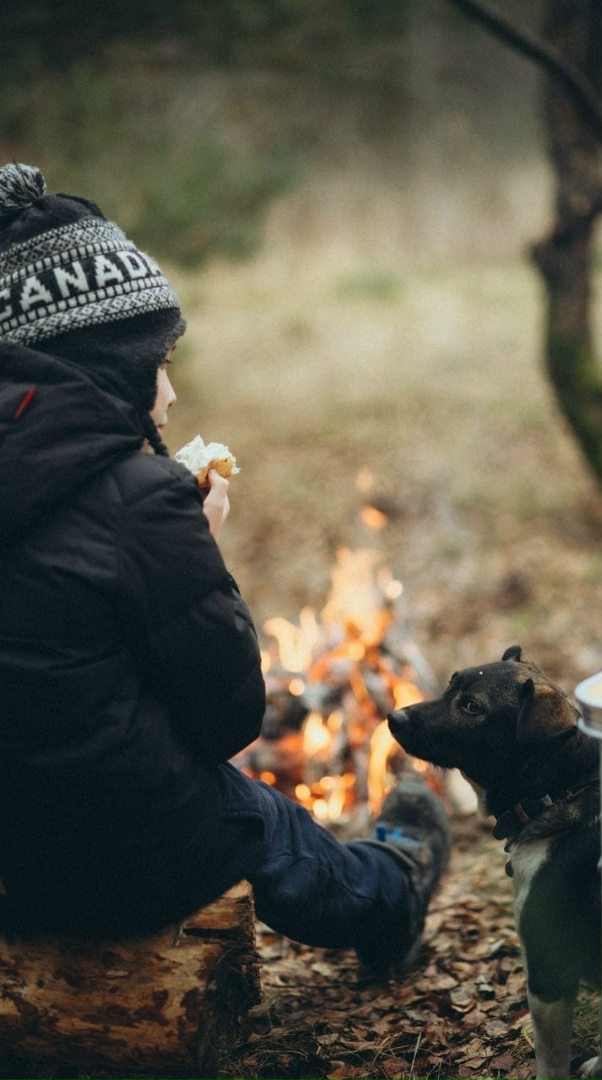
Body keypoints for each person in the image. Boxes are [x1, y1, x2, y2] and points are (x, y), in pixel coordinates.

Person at [0, 162, 451, 974]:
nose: (168, 397)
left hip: (11, 867)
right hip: (113, 866)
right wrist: (194, 542)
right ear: (100, 365)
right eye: (156, 364)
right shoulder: (137, 500)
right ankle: (397, 888)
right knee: (263, 821)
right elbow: (227, 720)